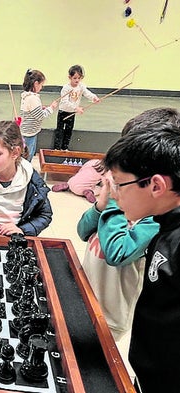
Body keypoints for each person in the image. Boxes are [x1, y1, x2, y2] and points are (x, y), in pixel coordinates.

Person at [102, 119, 180, 393]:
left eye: (120, 185)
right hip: (150, 377)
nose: (115, 194)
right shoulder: (163, 222)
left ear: (156, 186)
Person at [53, 65, 100, 150]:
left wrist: (94, 98)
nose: (77, 80)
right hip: (63, 112)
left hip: (72, 113)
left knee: (69, 131)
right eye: (75, 78)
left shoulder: (81, 86)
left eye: (79, 78)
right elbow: (65, 101)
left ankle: (64, 148)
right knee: (60, 130)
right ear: (70, 77)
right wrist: (76, 108)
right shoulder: (66, 88)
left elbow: (87, 93)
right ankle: (57, 148)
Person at [20, 69, 58, 161]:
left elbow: (32, 111)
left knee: (27, 155)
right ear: (36, 83)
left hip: (27, 131)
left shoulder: (26, 96)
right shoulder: (33, 98)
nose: (41, 87)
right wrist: (51, 108)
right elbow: (40, 116)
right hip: (29, 133)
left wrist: (41, 108)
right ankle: (25, 172)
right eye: (41, 85)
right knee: (27, 156)